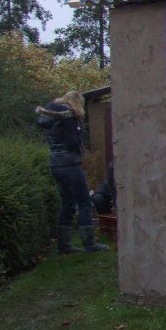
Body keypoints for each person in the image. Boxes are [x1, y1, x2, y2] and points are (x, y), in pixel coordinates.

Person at [36, 90, 109, 254]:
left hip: (56, 165)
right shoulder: (69, 116)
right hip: (70, 165)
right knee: (84, 202)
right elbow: (72, 141)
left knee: (67, 204)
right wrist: (79, 144)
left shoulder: (52, 116)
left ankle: (64, 246)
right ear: (77, 102)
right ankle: (89, 244)